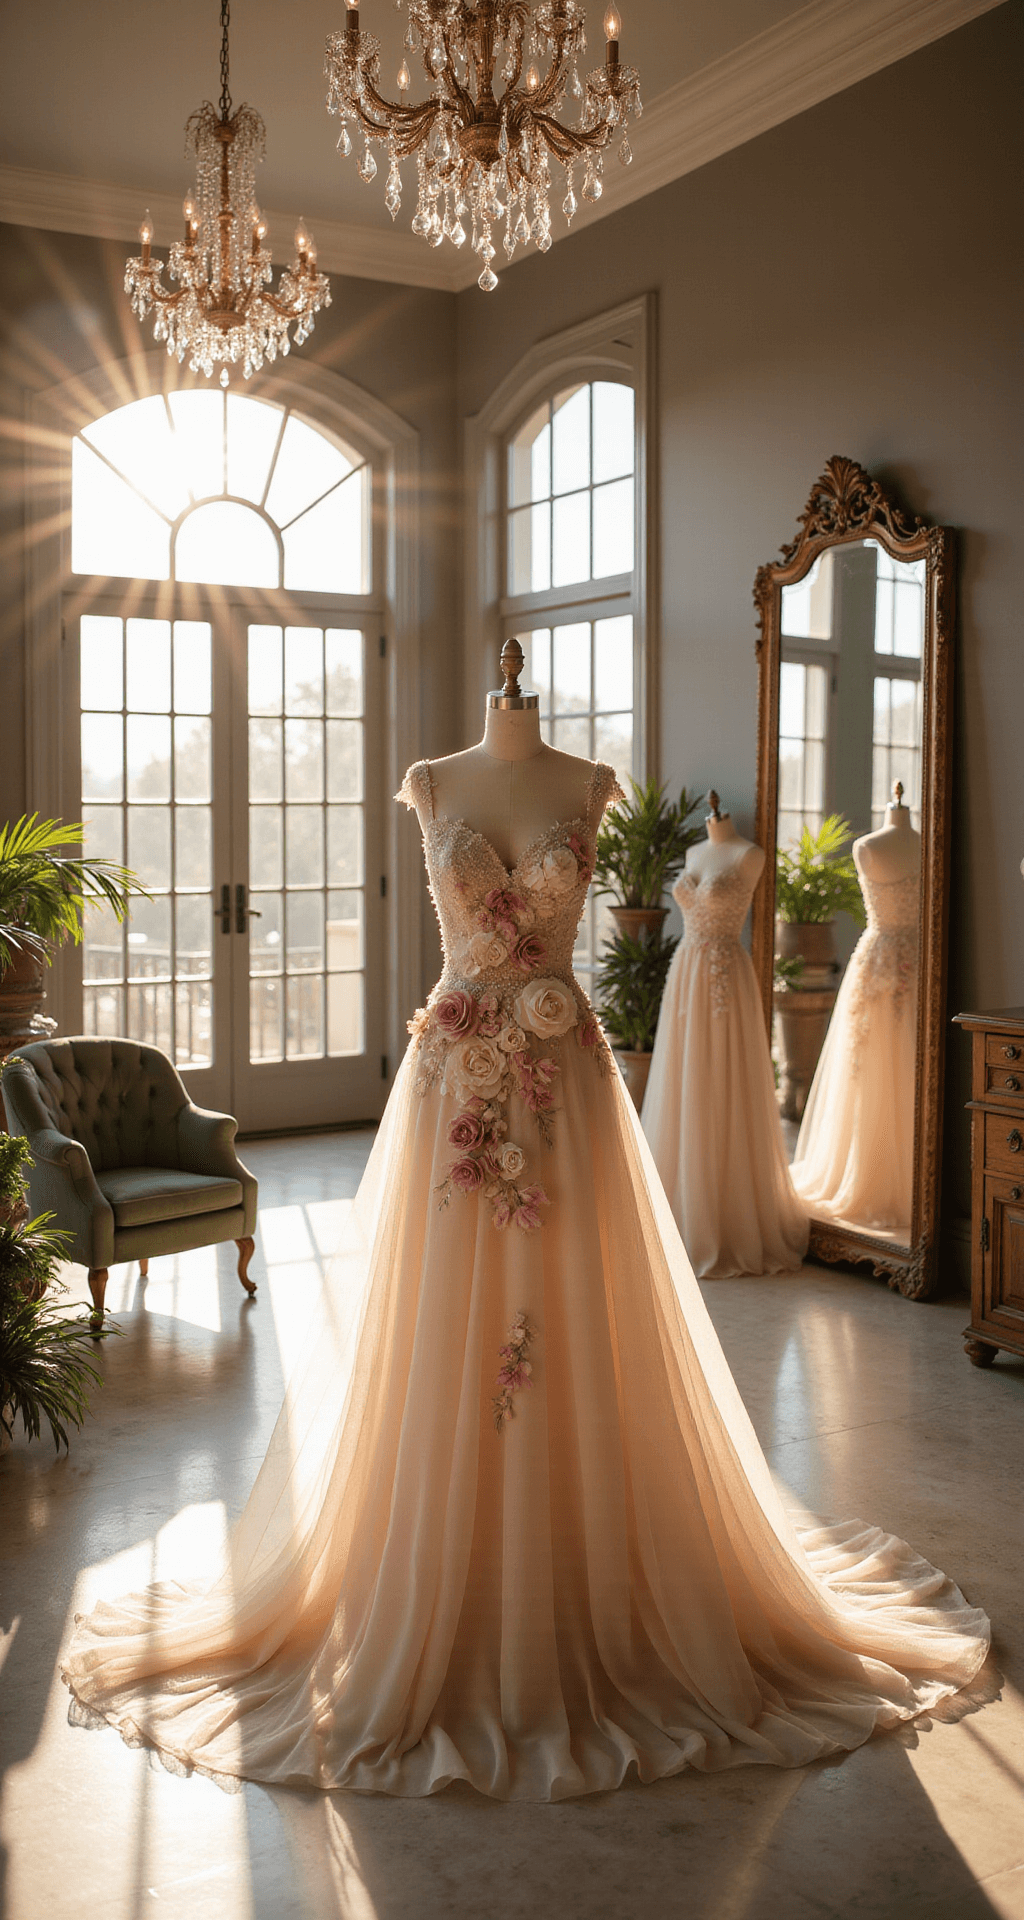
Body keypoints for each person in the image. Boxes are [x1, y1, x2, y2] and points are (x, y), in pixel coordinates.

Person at [61, 647, 988, 1801]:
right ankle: (430, 1567)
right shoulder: (431, 780)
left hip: (564, 1088)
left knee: (578, 1309)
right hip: (452, 1082)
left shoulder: (587, 782)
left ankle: (601, 1566)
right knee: (441, 1321)